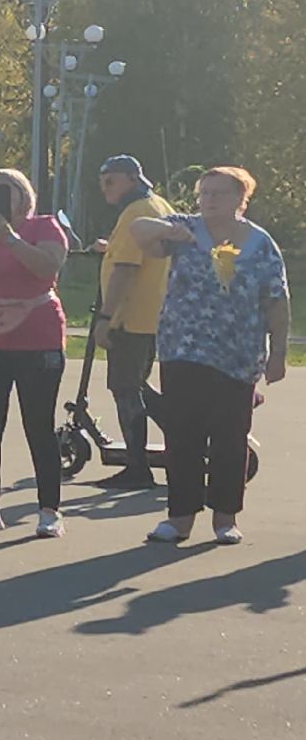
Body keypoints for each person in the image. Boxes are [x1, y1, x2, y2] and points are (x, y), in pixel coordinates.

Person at [131, 166, 289, 545]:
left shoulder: (261, 243)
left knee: (229, 439)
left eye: (219, 193)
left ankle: (225, 518)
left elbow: (276, 299)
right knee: (182, 435)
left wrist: (278, 352)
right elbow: (138, 231)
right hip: (183, 349)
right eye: (205, 193)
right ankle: (179, 518)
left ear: (241, 199)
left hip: (238, 354)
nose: (210, 200)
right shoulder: (185, 229)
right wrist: (166, 231)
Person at [0, 169, 68, 538]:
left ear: (22, 196)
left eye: (3, 191)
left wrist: (9, 237)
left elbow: (48, 266)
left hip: (37, 337)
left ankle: (49, 509)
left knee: (38, 424)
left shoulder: (44, 227)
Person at [90, 155, 173, 489]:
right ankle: (185, 437)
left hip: (130, 318)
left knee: (125, 389)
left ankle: (138, 468)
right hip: (153, 316)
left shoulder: (135, 213)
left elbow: (127, 268)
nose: (104, 188)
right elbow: (141, 251)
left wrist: (106, 318)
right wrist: (110, 248)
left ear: (130, 178)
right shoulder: (157, 206)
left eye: (110, 181)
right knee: (136, 384)